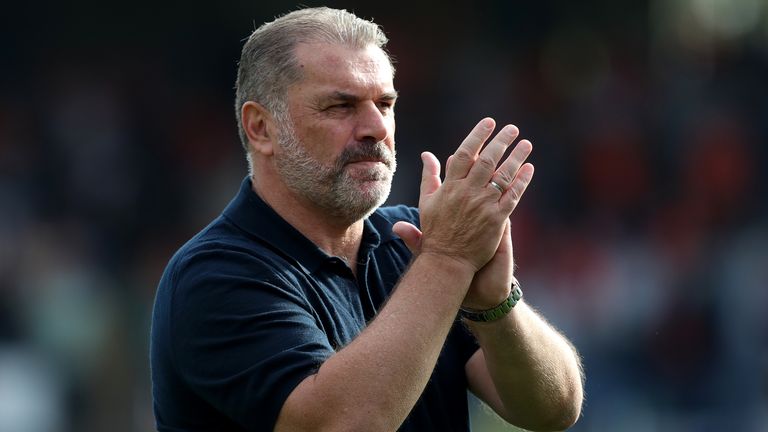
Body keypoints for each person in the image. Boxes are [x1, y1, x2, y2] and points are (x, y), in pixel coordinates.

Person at [150, 6, 584, 432]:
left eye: (385, 103)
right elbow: (341, 425)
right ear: (262, 128)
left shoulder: (413, 242)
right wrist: (448, 259)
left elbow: (554, 410)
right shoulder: (215, 275)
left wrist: (495, 306)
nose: (376, 127)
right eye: (341, 106)